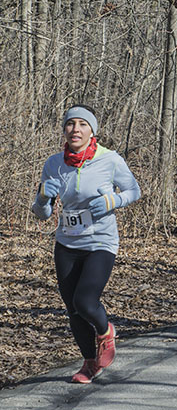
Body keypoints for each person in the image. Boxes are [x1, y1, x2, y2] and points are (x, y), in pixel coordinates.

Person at [31, 106, 141, 383]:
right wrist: (42, 199)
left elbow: (133, 191)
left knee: (85, 300)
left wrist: (111, 201)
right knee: (73, 309)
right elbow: (42, 213)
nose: (75, 129)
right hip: (67, 243)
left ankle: (106, 332)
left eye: (82, 124)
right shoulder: (54, 163)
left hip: (100, 241)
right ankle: (89, 364)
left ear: (92, 130)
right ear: (64, 130)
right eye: (70, 124)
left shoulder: (110, 160)